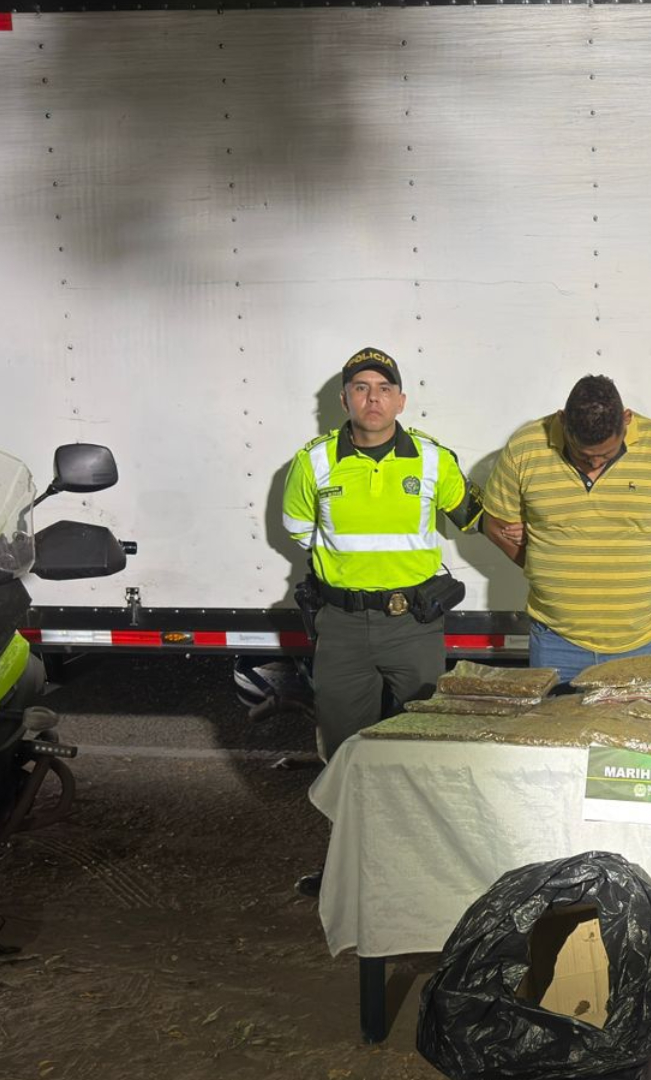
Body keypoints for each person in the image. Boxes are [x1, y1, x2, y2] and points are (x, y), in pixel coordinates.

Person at [281, 347, 480, 893]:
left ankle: (428, 872)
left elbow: (473, 514)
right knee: (346, 755)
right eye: (362, 388)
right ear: (345, 399)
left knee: (427, 749)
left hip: (412, 626)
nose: (374, 398)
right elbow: (300, 529)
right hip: (341, 629)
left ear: (401, 399)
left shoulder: (434, 461)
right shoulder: (314, 462)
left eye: (384, 388)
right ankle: (350, 869)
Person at [479, 375, 651, 685]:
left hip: (642, 643)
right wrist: (539, 562)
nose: (594, 465)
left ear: (626, 421)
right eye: (583, 455)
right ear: (562, 422)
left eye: (606, 455)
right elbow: (494, 524)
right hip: (555, 644)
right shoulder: (526, 447)